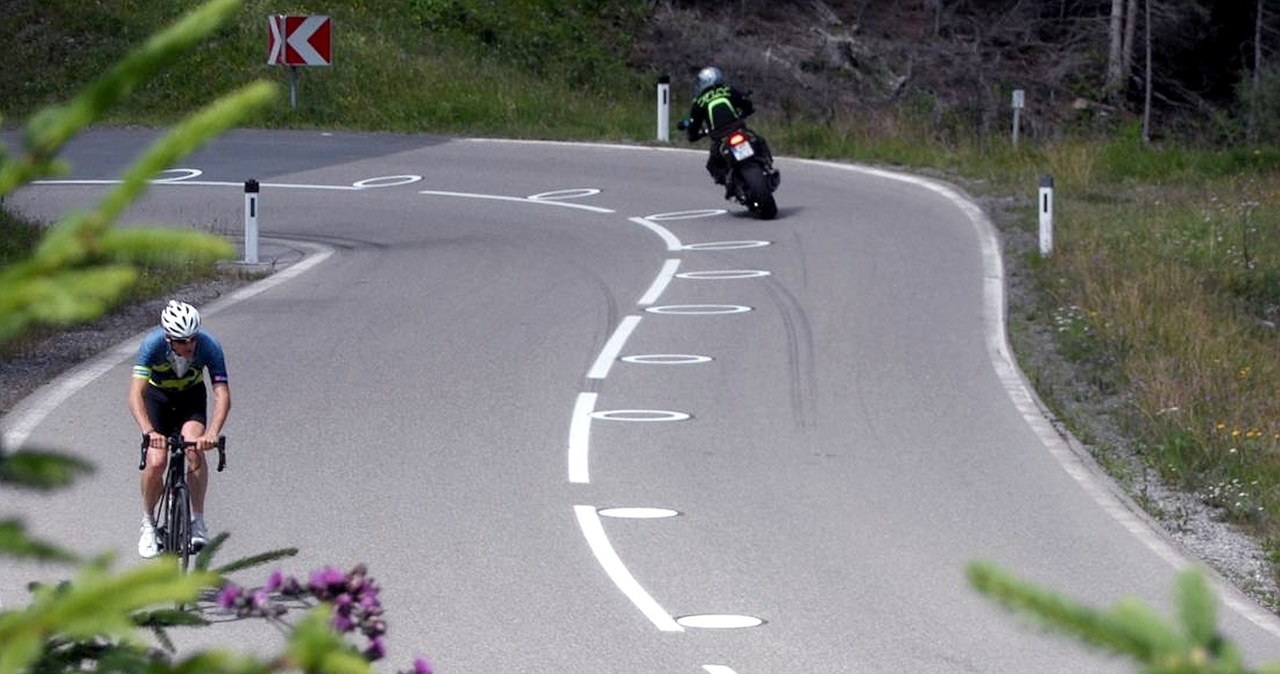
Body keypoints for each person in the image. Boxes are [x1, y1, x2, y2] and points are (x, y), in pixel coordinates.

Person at [128, 300, 231, 558]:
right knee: (156, 462)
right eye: (182, 341)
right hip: (158, 398)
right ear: (168, 338)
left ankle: (197, 522)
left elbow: (223, 395)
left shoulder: (209, 346)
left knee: (195, 449)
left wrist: (212, 433)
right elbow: (135, 395)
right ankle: (149, 523)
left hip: (190, 398)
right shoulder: (152, 346)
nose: (189, 346)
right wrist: (149, 432)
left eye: (192, 339)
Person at [679, 66, 766, 197]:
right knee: (759, 141)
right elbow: (746, 103)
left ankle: (730, 185)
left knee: (712, 165)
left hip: (720, 138)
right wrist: (746, 111)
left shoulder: (699, 102)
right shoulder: (728, 90)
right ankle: (767, 164)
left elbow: (694, 126)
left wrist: (694, 135)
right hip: (738, 129)